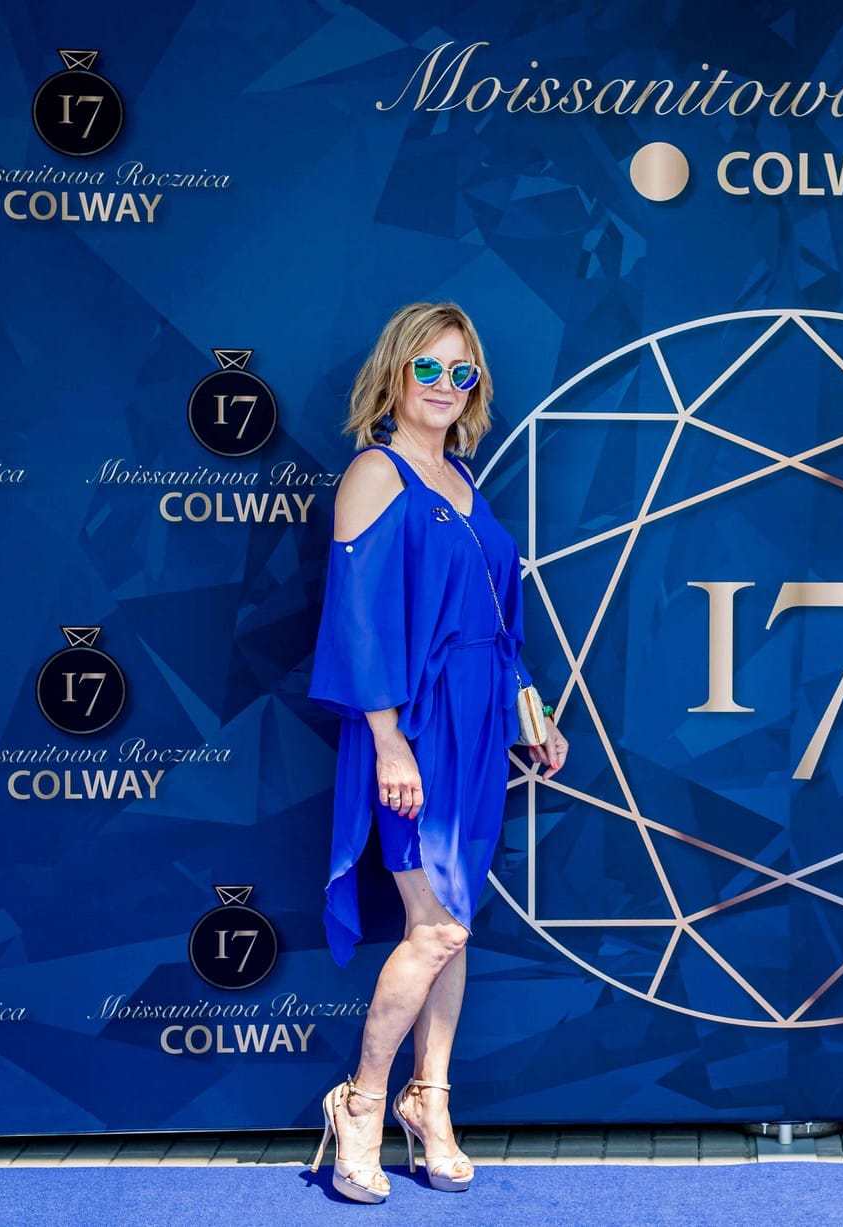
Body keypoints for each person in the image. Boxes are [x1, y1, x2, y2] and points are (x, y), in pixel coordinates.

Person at [307, 302, 568, 1203]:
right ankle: (361, 1103)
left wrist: (532, 714)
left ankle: (431, 1100)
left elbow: (498, 623)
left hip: (478, 727)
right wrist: (388, 742)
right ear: (394, 374)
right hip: (413, 729)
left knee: (454, 921)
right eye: (428, 368)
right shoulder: (373, 473)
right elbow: (360, 622)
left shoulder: (460, 478)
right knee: (437, 927)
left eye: (462, 372)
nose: (445, 386)